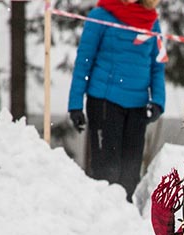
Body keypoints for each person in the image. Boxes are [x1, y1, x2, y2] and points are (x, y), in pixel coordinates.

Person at [68, 0, 166, 202]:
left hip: (138, 108)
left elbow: (158, 65)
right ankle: (101, 217)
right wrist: (75, 104)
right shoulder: (100, 16)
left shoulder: (151, 21)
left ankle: (126, 223)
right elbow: (84, 60)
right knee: (107, 171)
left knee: (130, 175)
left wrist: (157, 101)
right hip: (105, 103)